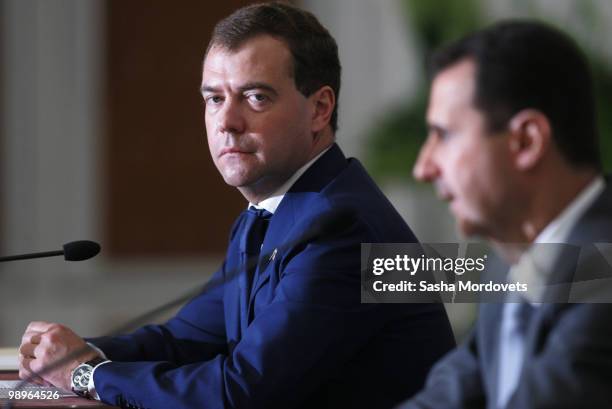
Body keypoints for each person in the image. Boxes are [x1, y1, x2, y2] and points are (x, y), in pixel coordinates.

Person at [18, 3, 454, 409]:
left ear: (320, 109)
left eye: (255, 97)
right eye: (215, 98)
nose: (226, 121)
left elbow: (240, 392)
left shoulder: (341, 227)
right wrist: (74, 354)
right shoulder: (270, 213)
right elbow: (186, 339)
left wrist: (86, 375)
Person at [398, 20, 612, 409]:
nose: (423, 167)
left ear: (527, 141)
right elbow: (453, 392)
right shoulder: (506, 263)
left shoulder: (603, 267)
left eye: (443, 135)